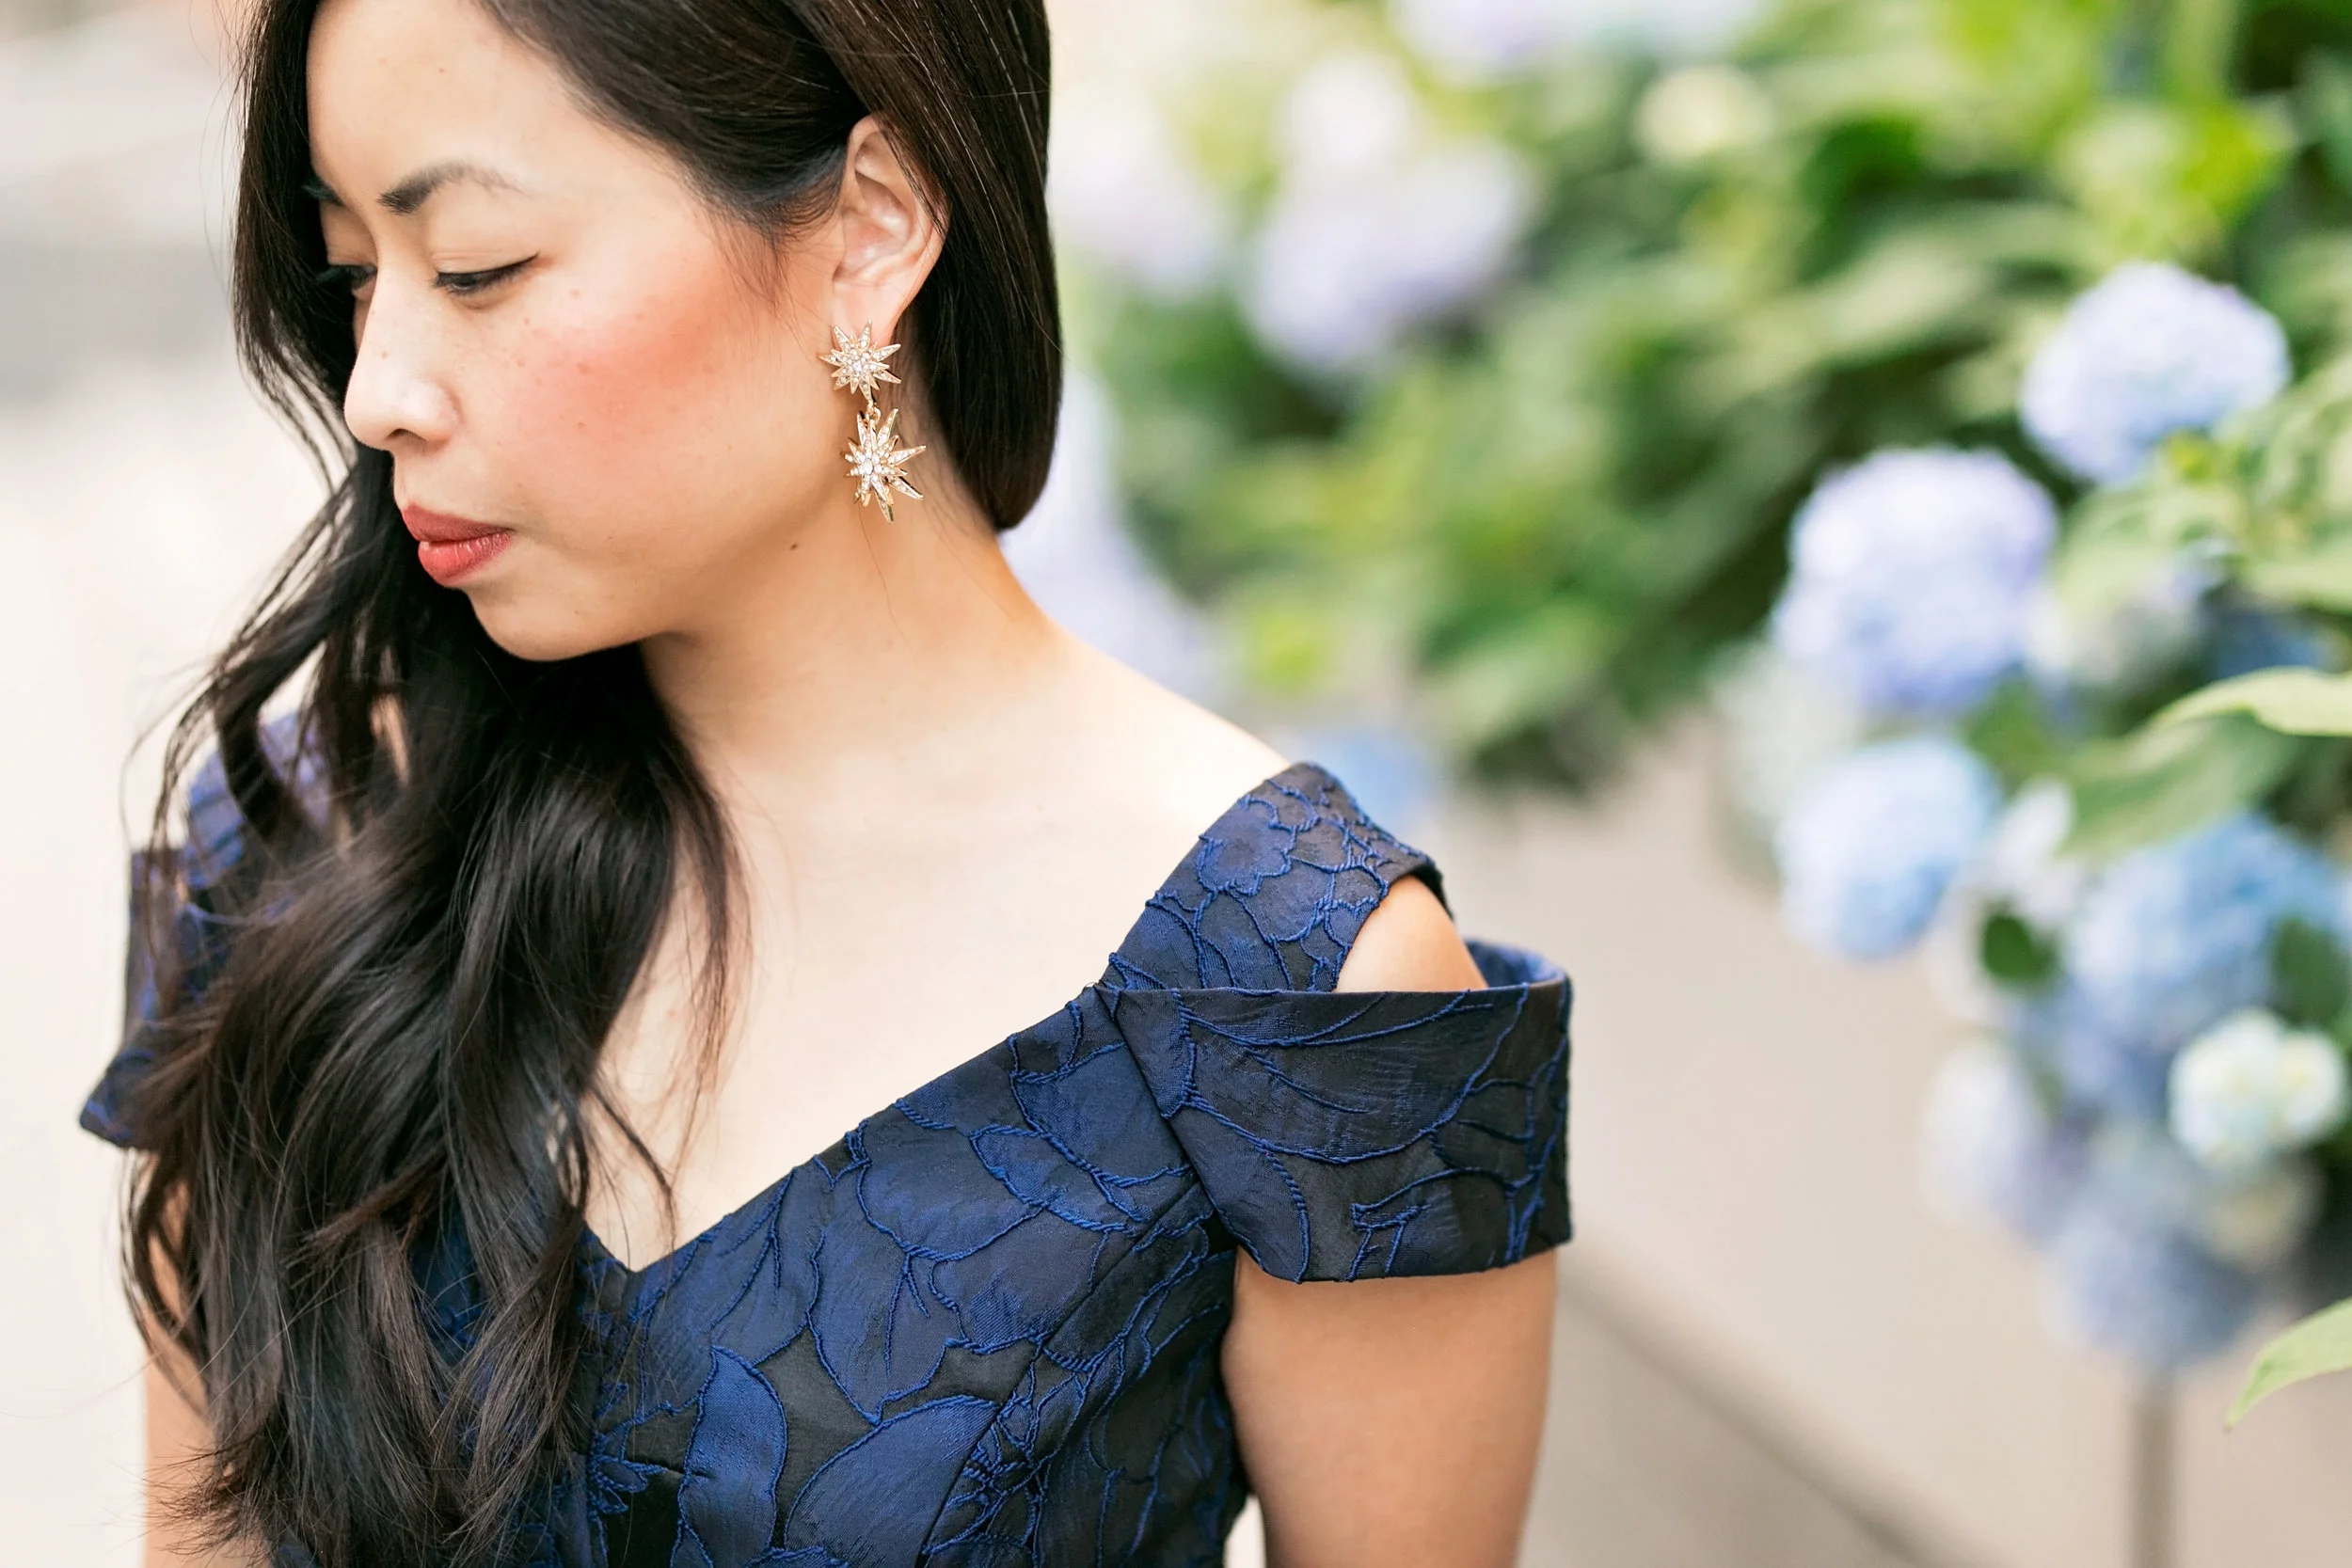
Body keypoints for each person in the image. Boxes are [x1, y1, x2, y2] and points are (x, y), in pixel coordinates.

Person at [77, 0, 1573, 1560]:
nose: (379, 387)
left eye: (476, 265)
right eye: (354, 277)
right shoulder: (307, 847)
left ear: (872, 226)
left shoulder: (1302, 989)